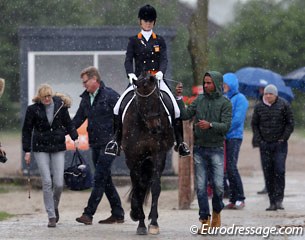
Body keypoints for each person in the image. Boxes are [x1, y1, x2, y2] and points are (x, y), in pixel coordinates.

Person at [105, 4, 190, 157]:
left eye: (150, 21)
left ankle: (180, 142)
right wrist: (130, 74)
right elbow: (128, 60)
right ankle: (115, 141)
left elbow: (164, 59)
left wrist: (160, 73)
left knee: (176, 109)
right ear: (140, 22)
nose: (148, 23)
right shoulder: (133, 41)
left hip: (156, 80)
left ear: (154, 22)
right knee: (117, 108)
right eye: (145, 21)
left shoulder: (159, 40)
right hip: (138, 81)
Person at [176, 71, 232, 234]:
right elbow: (185, 115)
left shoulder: (225, 103)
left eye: (209, 83)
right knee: (200, 187)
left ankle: (216, 213)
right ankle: (205, 220)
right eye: (204, 82)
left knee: (219, 187)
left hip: (216, 149)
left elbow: (226, 126)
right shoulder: (198, 100)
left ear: (217, 83)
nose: (206, 85)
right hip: (199, 149)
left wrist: (211, 125)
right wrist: (179, 98)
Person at [73, 66, 125, 225]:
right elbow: (77, 120)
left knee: (99, 178)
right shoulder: (85, 98)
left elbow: (123, 118)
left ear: (95, 79)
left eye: (85, 82)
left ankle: (88, 214)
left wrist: (119, 140)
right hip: (95, 143)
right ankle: (118, 213)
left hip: (110, 144)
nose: (83, 85)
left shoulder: (111, 96)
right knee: (105, 179)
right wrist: (61, 130)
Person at [22, 84, 79, 228]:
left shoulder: (61, 107)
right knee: (47, 181)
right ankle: (51, 215)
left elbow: (69, 123)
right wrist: (27, 151)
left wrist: (74, 137)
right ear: (40, 98)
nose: (47, 99)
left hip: (58, 146)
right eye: (44, 97)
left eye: (49, 96)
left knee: (59, 183)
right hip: (40, 148)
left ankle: (54, 206)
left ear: (52, 95)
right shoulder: (32, 110)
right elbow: (27, 130)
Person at [251, 84, 294, 211]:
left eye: (271, 94)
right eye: (266, 93)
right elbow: (254, 124)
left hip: (280, 144)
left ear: (276, 95)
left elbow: (290, 123)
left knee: (279, 170)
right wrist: (260, 140)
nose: (268, 96)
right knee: (268, 172)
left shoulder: (284, 105)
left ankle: (279, 199)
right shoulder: (259, 107)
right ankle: (272, 201)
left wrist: (283, 138)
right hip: (265, 144)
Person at [222, 73, 248, 210]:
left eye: (225, 84)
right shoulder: (225, 98)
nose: (223, 86)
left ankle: (240, 197)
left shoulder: (240, 99)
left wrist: (223, 129)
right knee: (227, 169)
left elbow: (237, 120)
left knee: (232, 167)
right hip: (225, 137)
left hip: (234, 136)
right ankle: (232, 198)